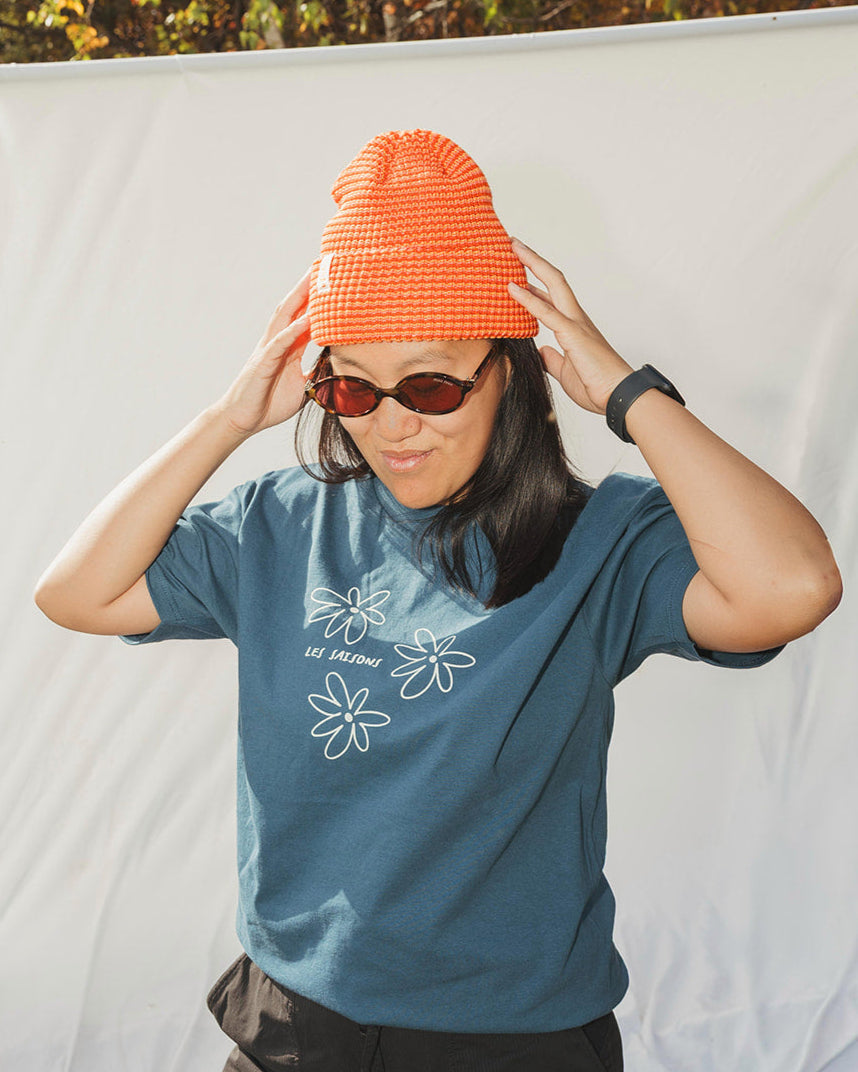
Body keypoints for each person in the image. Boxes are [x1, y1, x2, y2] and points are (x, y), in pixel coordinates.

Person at [33, 129, 842, 1072]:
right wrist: (228, 419)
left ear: (511, 371)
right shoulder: (279, 526)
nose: (394, 422)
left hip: (513, 1041)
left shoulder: (605, 542)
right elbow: (76, 592)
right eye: (350, 388)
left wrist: (627, 390)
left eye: (430, 382)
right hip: (295, 1027)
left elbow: (794, 586)